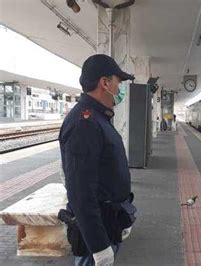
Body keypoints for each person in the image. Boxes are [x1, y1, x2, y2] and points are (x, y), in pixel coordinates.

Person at [59, 54, 136, 266]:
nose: (119, 90)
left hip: (109, 222)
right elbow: (80, 191)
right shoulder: (85, 123)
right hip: (97, 232)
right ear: (105, 83)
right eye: (118, 82)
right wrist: (99, 246)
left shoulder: (97, 117)